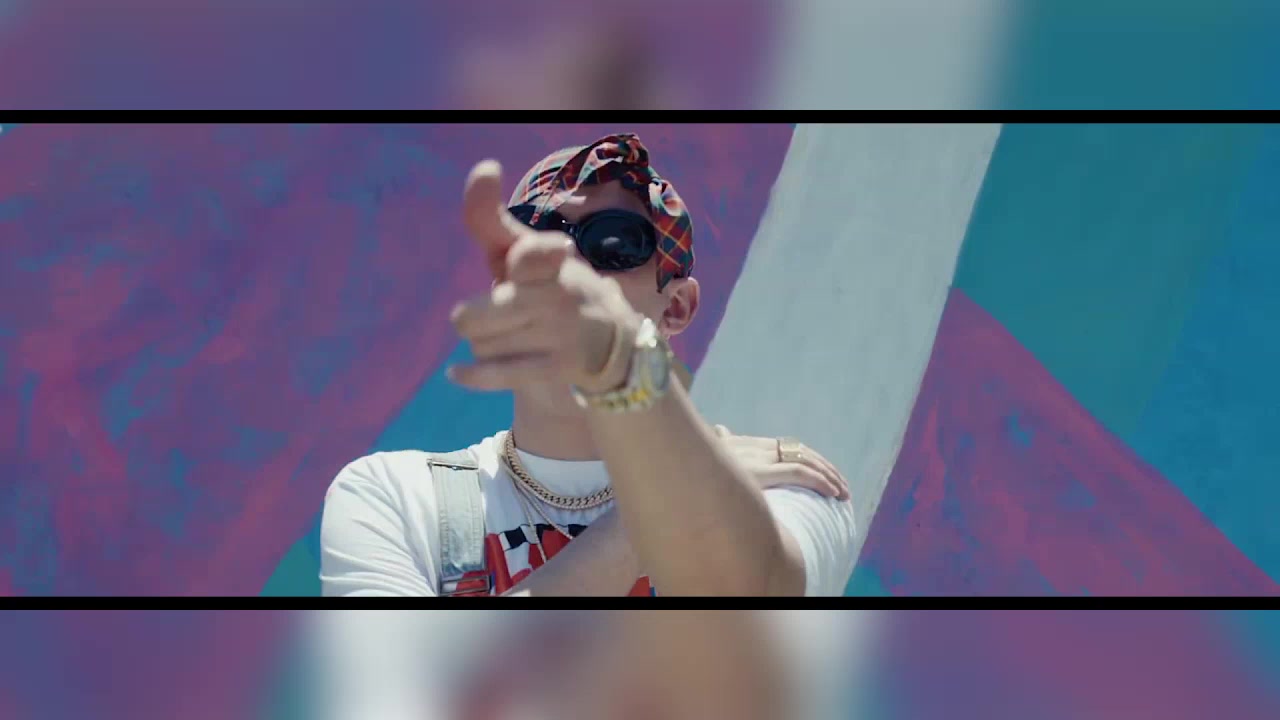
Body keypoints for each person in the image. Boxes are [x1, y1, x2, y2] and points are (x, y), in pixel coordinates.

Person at [320, 133, 858, 596]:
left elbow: (761, 593)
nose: (567, 266)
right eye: (535, 236)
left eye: (614, 242)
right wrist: (647, 518)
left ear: (676, 307)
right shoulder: (395, 498)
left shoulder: (781, 484)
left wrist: (623, 364)